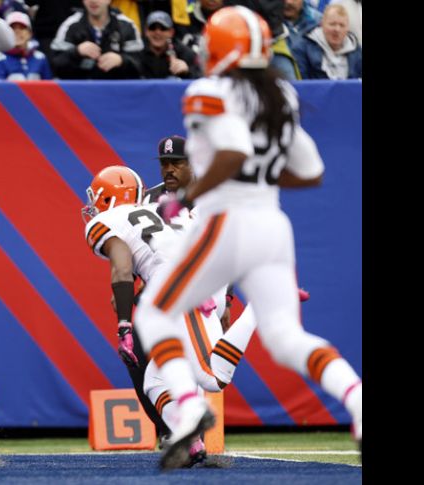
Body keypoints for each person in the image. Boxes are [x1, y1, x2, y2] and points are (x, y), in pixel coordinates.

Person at [133, 6, 362, 470]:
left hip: (226, 221)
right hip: (272, 225)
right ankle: (355, 397)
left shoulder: (210, 91)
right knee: (286, 338)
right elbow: (311, 170)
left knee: (154, 315)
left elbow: (233, 148)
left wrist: (188, 195)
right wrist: (260, 180)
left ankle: (190, 407)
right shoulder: (280, 94)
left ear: (218, 47)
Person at [83, 163, 261, 466]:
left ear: (107, 198)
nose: (90, 206)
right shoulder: (159, 211)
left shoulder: (109, 219)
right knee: (155, 381)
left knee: (212, 377)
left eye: (95, 198)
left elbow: (123, 267)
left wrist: (124, 325)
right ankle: (190, 439)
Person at [50, 0, 143, 80]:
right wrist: (76, 52)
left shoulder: (127, 25)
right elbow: (55, 65)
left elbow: (141, 65)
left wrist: (122, 60)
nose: (93, 1)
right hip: (79, 94)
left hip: (118, 93)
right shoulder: (70, 25)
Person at [291, 3, 361, 80]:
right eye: (332, 24)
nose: (337, 29)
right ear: (322, 24)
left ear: (348, 28)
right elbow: (301, 84)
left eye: (342, 25)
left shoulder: (357, 52)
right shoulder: (302, 49)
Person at [0, 11, 53, 80]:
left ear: (30, 33)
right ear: (5, 33)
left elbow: (48, 87)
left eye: (22, 27)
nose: (17, 31)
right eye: (12, 28)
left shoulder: (40, 57)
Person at [138, 10, 200, 80]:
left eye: (163, 28)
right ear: (146, 31)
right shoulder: (138, 52)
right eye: (152, 28)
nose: (158, 32)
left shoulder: (184, 53)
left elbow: (201, 78)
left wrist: (187, 71)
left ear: (171, 32)